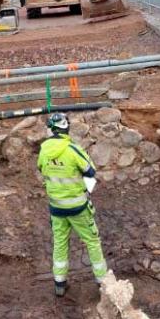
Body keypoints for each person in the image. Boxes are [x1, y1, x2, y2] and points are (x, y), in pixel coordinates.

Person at [37, 112, 108, 296]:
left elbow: (40, 168)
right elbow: (91, 171)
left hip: (56, 207)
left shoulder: (44, 149)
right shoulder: (72, 149)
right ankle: (103, 282)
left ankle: (59, 284)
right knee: (92, 241)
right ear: (66, 128)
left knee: (60, 243)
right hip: (77, 207)